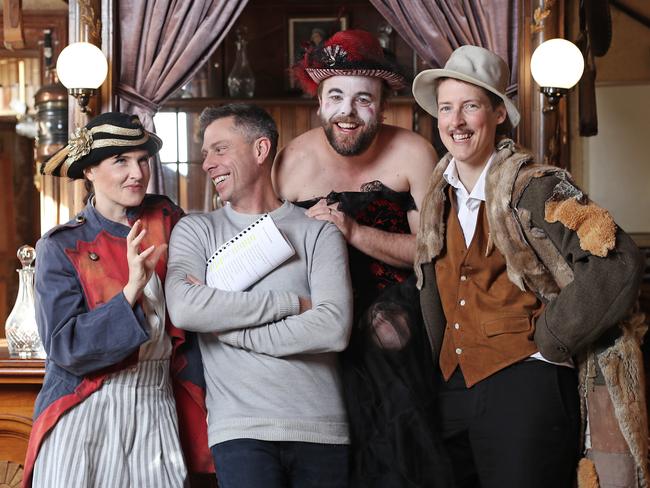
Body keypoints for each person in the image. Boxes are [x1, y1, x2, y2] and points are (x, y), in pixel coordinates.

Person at [412, 45, 647, 488]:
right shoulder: (436, 195)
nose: (455, 122)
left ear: (498, 113)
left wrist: (551, 341)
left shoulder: (535, 187)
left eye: (470, 107)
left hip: (525, 382)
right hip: (454, 384)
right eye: (446, 108)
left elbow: (616, 261)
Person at [276, 29, 452, 487]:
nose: (347, 113)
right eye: (336, 97)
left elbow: (431, 252)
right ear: (319, 103)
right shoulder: (289, 161)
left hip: (392, 306)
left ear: (382, 104)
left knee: (385, 331)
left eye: (363, 100)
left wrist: (352, 230)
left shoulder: (414, 152)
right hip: (314, 307)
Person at [165, 103, 353, 488]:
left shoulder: (318, 232)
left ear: (260, 150)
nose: (207, 164)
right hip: (240, 431)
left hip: (322, 430)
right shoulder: (195, 231)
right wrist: (290, 306)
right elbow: (185, 307)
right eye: (204, 154)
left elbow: (333, 328)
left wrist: (231, 331)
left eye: (219, 149)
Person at [22, 112, 212, 487]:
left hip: (159, 402)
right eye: (121, 161)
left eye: (143, 159)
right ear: (89, 171)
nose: (137, 172)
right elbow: (66, 345)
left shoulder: (168, 219)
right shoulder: (61, 246)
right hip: (86, 407)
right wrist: (130, 292)